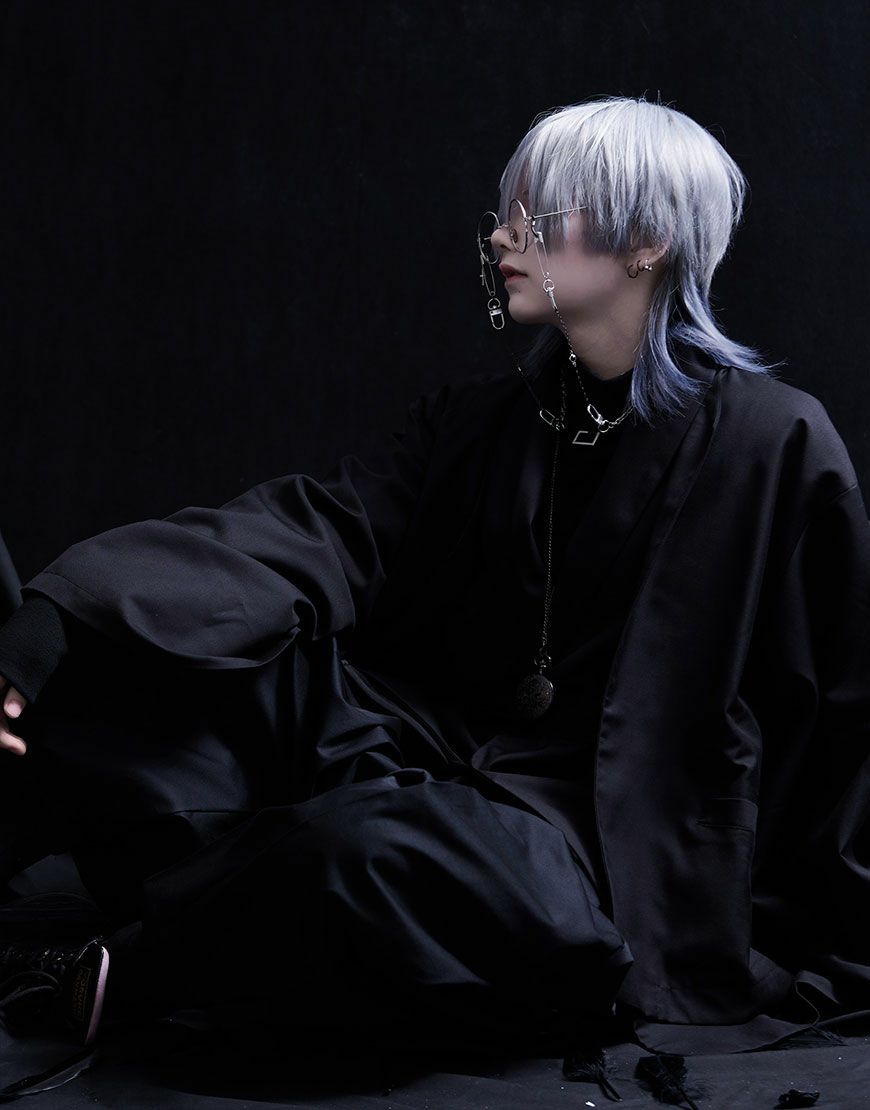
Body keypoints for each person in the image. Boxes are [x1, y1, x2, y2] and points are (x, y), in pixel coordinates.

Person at [0, 95, 867, 1067]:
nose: (501, 237)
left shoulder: (775, 444)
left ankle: (137, 956)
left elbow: (839, 718)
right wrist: (54, 621)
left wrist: (814, 935)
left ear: (646, 244)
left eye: (537, 216)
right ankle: (241, 889)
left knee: (382, 856)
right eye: (506, 212)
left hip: (597, 840)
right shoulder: (487, 420)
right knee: (180, 656)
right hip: (429, 755)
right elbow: (318, 528)